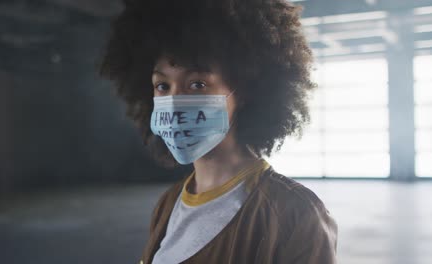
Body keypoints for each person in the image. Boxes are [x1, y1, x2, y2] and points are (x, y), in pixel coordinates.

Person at [100, 0, 338, 263]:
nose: (175, 101)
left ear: (244, 91)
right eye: (163, 86)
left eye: (197, 84)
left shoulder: (295, 214)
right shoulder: (168, 203)